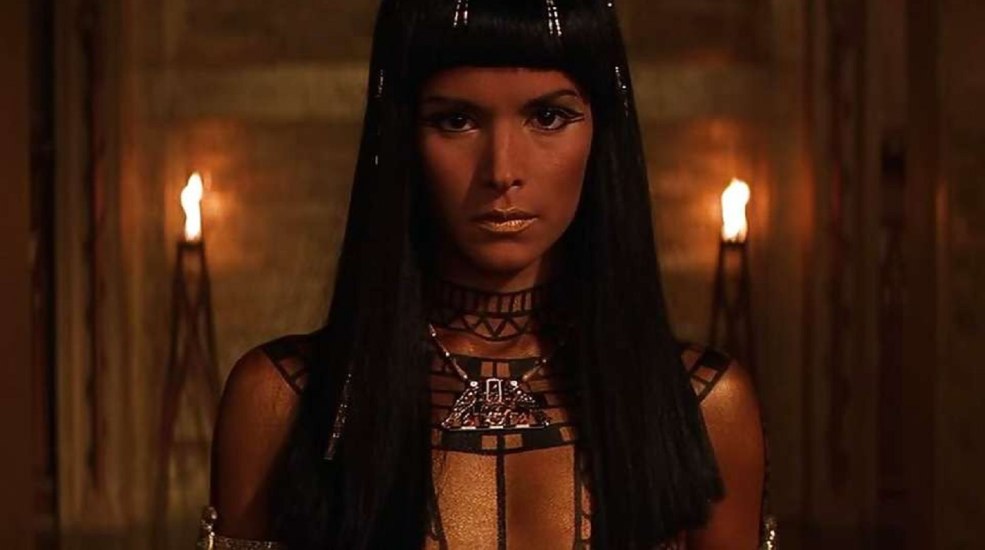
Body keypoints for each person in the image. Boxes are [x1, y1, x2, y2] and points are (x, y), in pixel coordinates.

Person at [200, 1, 770, 548]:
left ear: (602, 131)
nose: (502, 170)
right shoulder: (285, 402)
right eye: (457, 120)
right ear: (403, 138)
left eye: (547, 117)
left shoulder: (703, 407)